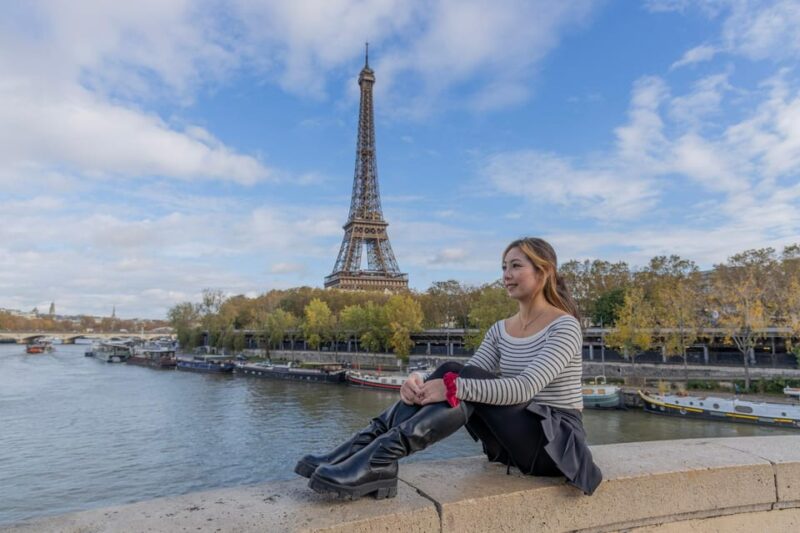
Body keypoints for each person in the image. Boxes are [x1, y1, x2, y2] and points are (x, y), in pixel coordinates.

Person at [295, 237, 602, 499]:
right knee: (453, 369)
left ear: (544, 272)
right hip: (513, 443)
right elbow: (469, 374)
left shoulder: (564, 326)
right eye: (503, 267)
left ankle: (379, 459)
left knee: (457, 377)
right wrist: (416, 386)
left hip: (554, 444)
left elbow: (523, 388)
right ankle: (366, 450)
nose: (506, 274)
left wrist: (452, 385)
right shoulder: (500, 329)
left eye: (516, 266)